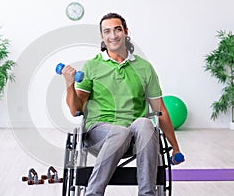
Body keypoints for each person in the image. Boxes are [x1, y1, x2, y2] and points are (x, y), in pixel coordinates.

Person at [62, 12, 184, 196]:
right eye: (107, 31)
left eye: (117, 30)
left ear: (126, 32)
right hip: (99, 135)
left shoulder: (144, 67)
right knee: (119, 131)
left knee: (145, 123)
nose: (113, 36)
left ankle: (147, 194)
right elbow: (75, 110)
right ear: (102, 37)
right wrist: (70, 84)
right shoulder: (92, 67)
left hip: (137, 139)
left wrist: (175, 147)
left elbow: (160, 110)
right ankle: (93, 193)